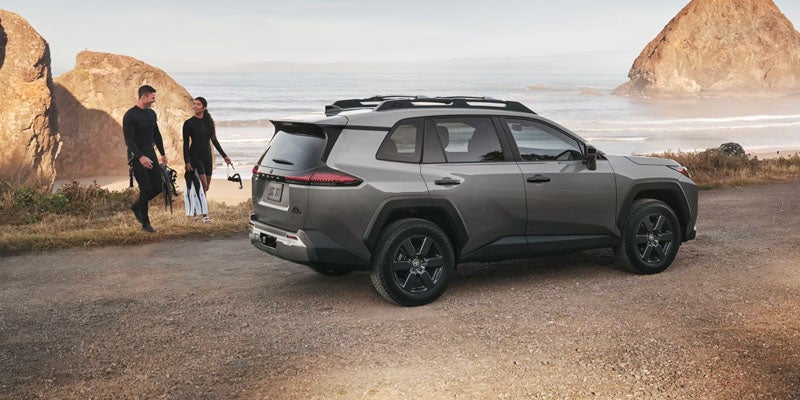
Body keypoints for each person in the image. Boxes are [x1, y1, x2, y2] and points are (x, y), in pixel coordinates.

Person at [123, 85, 168, 233]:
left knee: (158, 187)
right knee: (145, 188)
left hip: (151, 153)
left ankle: (136, 206)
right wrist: (140, 157)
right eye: (152, 98)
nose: (154, 100)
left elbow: (156, 134)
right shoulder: (130, 115)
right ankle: (145, 223)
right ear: (144, 97)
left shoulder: (151, 114)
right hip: (137, 156)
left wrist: (162, 153)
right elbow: (128, 140)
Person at [182, 96, 231, 222]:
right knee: (202, 186)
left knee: (206, 187)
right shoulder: (188, 123)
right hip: (195, 156)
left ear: (204, 107)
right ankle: (204, 215)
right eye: (194, 104)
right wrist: (187, 161)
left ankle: (195, 211)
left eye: (198, 104)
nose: (195, 106)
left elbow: (214, 140)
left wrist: (224, 156)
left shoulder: (209, 121)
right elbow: (185, 144)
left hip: (207, 157)